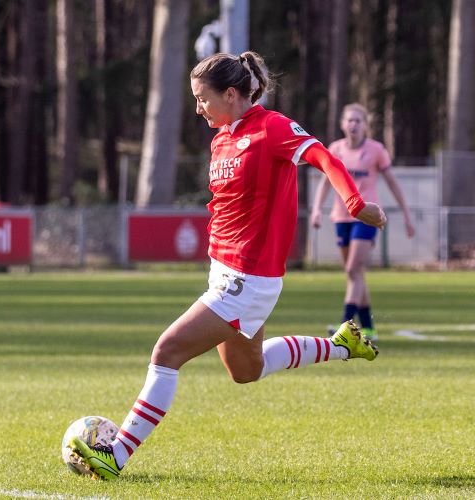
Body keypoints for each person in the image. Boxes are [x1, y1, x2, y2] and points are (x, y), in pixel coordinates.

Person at [69, 51, 387, 480]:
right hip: (225, 274)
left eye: (203, 99)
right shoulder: (221, 137)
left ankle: (117, 455)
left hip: (247, 280)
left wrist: (354, 203)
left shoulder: (273, 128)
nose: (198, 108)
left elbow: (325, 159)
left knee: (166, 353)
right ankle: (343, 344)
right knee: (246, 370)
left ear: (232, 93)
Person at [310, 103, 415, 340]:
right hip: (341, 216)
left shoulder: (376, 150)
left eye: (358, 120)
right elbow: (326, 182)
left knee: (353, 269)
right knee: (355, 274)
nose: (353, 124)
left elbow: (393, 183)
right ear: (342, 124)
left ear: (366, 125)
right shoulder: (335, 149)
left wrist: (407, 215)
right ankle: (368, 328)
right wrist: (317, 210)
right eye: (349, 120)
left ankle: (344, 325)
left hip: (366, 216)